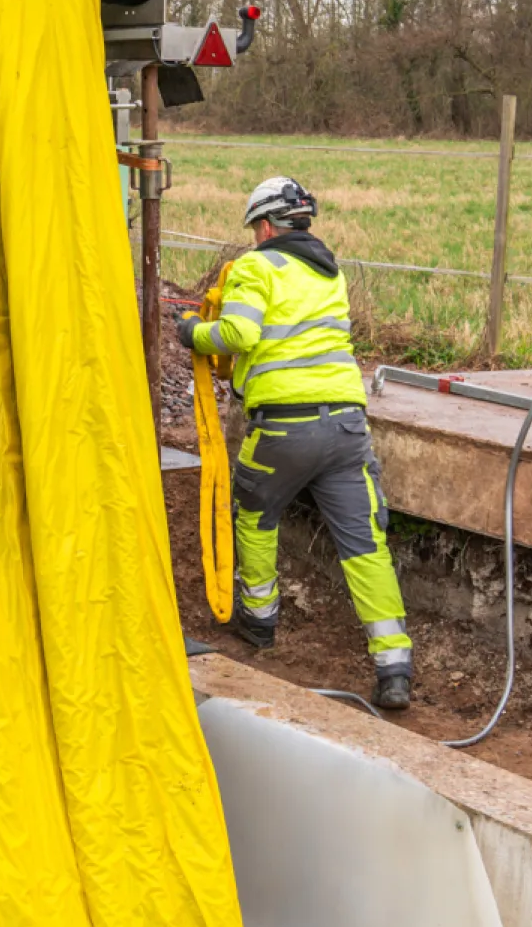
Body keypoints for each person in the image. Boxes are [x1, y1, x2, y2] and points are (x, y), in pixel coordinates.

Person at [178, 177, 416, 709]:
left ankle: (259, 621)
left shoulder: (256, 267)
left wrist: (192, 331)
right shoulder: (329, 271)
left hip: (282, 427)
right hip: (347, 427)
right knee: (364, 543)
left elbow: (237, 336)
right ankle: (394, 663)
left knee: (256, 514)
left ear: (264, 226)